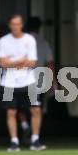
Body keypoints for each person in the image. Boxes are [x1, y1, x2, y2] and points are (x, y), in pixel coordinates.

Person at [0, 14, 46, 152]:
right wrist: (20, 61)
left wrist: (11, 62)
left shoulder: (29, 39)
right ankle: (14, 141)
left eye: (18, 24)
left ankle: (35, 139)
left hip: (29, 80)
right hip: (8, 82)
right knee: (11, 112)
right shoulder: (3, 41)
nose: (16, 27)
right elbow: (2, 63)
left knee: (36, 109)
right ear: (9, 25)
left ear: (22, 25)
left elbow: (32, 62)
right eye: (13, 24)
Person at [17, 17, 56, 145]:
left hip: (21, 79)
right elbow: (49, 64)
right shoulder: (43, 43)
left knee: (19, 107)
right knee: (36, 109)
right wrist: (53, 82)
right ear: (39, 28)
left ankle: (24, 125)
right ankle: (35, 136)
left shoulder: (20, 42)